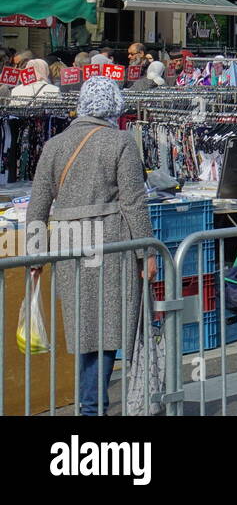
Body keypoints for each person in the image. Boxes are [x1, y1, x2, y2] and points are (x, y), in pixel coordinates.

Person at [26, 78, 155, 416]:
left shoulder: (54, 144)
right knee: (107, 327)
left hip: (69, 242)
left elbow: (37, 204)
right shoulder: (120, 142)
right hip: (109, 239)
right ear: (114, 105)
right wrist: (147, 250)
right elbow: (134, 202)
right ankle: (91, 406)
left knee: (85, 327)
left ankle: (90, 404)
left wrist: (34, 254)